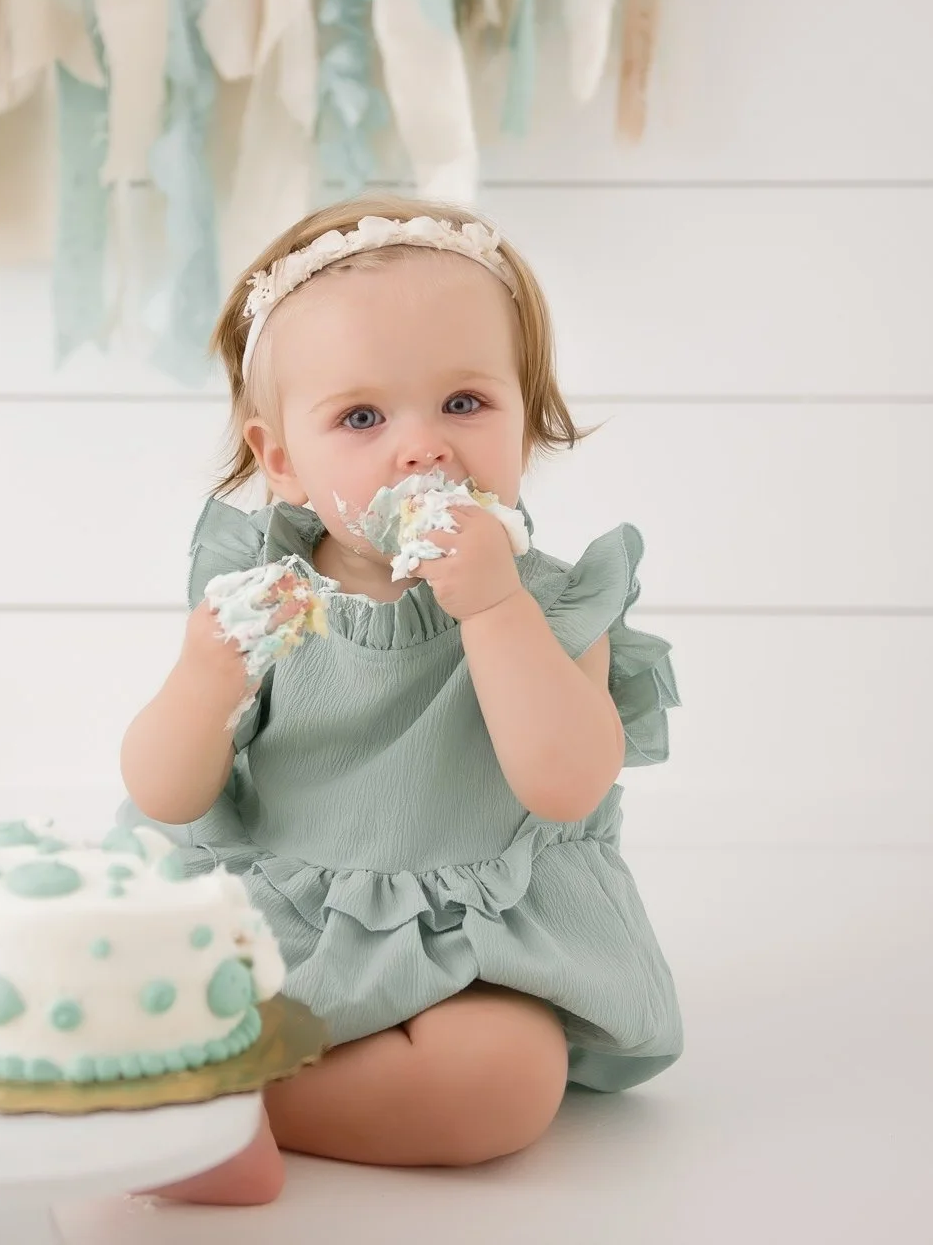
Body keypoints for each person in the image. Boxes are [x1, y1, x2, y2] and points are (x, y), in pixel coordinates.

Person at [118, 195, 684, 1205]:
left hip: (475, 942)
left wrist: (493, 606)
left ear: (528, 415)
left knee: (505, 1086)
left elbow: (565, 781)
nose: (422, 447)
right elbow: (165, 790)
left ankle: (219, 1107)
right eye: (364, 417)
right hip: (276, 920)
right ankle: (194, 1081)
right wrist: (208, 675)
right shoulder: (265, 593)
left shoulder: (555, 600)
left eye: (465, 403)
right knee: (134, 986)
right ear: (282, 455)